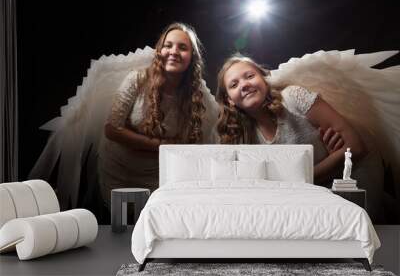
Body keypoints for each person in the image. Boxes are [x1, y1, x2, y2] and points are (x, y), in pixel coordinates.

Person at [98, 22, 218, 208]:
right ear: (159, 51)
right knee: (123, 227)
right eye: (168, 45)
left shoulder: (197, 95)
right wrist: (162, 145)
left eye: (182, 47)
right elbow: (111, 129)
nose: (174, 52)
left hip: (159, 177)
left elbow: (199, 139)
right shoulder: (137, 79)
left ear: (192, 57)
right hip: (119, 171)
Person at [216, 54, 367, 184]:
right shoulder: (245, 137)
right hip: (308, 198)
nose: (244, 85)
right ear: (229, 100)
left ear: (263, 79)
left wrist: (298, 180)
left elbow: (356, 146)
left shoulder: (293, 97)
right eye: (234, 85)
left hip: (351, 179)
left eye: (250, 76)